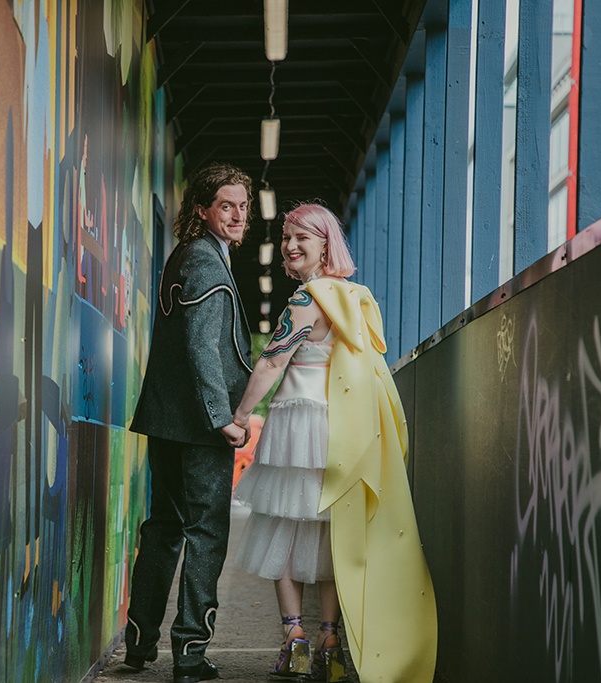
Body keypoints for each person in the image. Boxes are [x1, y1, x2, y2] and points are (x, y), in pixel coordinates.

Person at [232, 203, 438, 682]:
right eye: (287, 238)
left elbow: (270, 363)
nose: (291, 246)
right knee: (331, 534)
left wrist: (241, 416)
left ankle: (294, 638)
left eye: (303, 236)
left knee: (281, 528)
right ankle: (330, 639)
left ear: (327, 244)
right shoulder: (358, 299)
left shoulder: (307, 300)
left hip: (298, 426)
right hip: (343, 430)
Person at [125, 162, 254, 683]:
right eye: (227, 205)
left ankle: (139, 645)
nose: (239, 216)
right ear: (202, 210)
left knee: (164, 528)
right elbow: (202, 347)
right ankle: (190, 654)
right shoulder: (205, 261)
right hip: (200, 427)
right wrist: (222, 418)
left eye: (244, 207)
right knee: (206, 533)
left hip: (168, 421)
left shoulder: (188, 255)